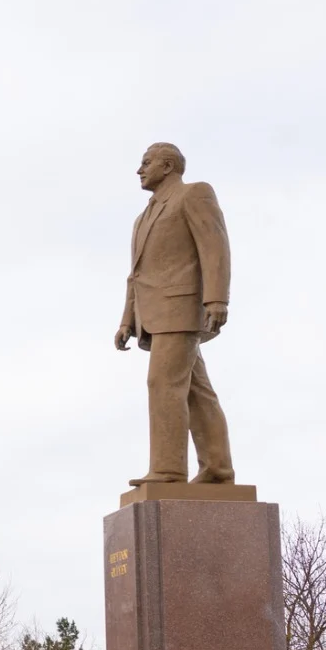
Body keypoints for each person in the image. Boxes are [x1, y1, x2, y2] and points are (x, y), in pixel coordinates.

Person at [115, 142, 235, 487]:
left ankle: (168, 470)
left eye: (146, 163)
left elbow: (215, 247)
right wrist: (127, 319)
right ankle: (217, 467)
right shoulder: (142, 218)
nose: (140, 170)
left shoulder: (194, 194)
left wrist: (216, 299)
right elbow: (136, 274)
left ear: (167, 167)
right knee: (197, 391)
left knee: (163, 384)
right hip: (154, 314)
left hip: (181, 306)